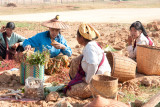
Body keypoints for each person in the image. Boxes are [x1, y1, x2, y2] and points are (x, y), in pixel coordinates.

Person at [64, 23, 111, 99]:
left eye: (77, 36)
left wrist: (87, 80)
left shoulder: (90, 47)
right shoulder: (92, 45)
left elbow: (93, 65)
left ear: (81, 37)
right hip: (98, 77)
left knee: (69, 91)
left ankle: (94, 93)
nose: (76, 38)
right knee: (76, 59)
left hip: (99, 82)